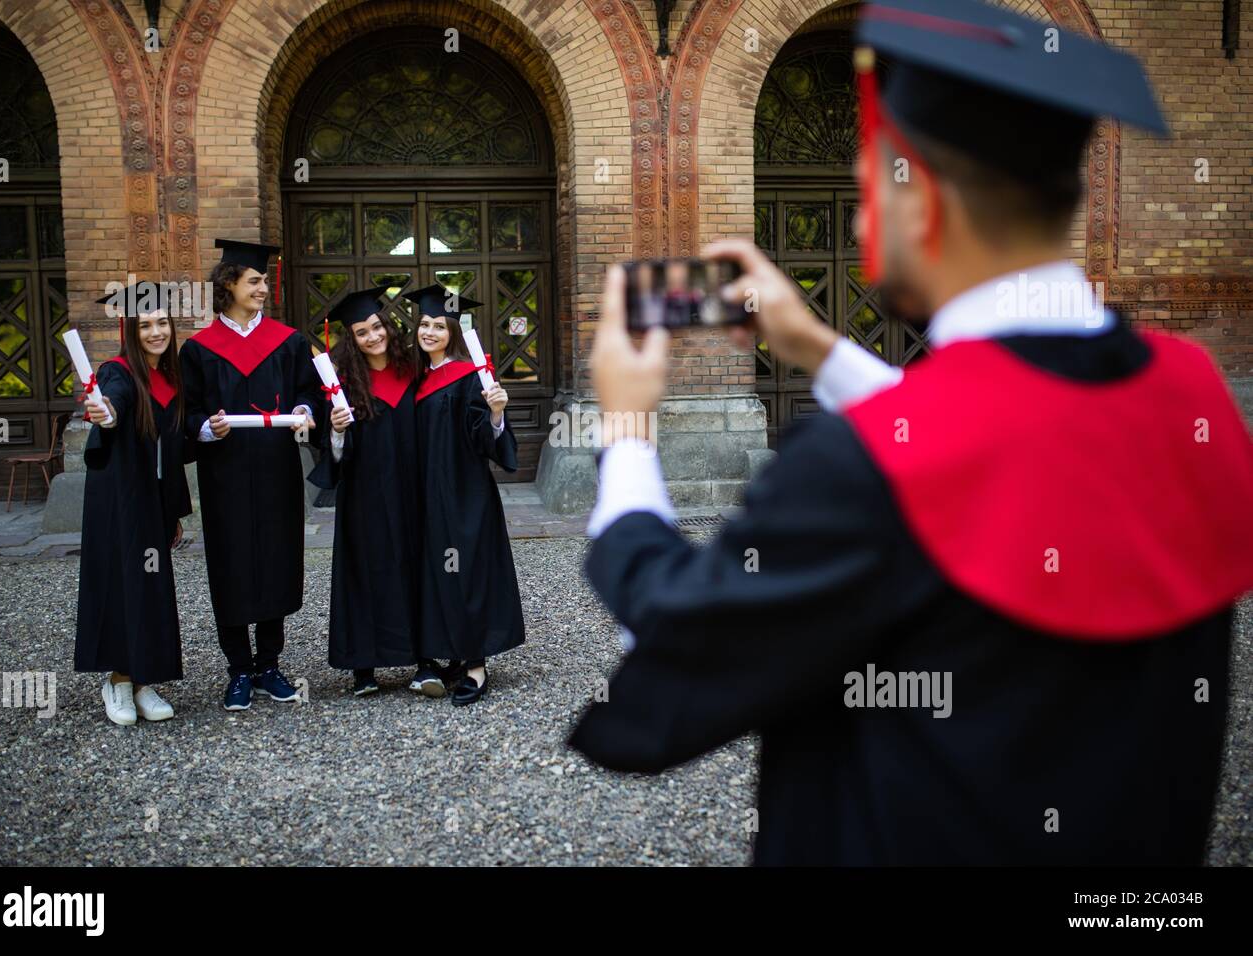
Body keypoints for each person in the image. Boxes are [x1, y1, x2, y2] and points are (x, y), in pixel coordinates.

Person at [568, 0, 1253, 865]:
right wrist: (815, 346)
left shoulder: (858, 467)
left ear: (917, 200)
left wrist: (627, 425)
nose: (861, 223)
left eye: (864, 191)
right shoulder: (1191, 393)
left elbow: (675, 636)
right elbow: (1007, 429)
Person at [179, 239, 321, 711]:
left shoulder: (288, 342)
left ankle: (270, 665)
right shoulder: (199, 350)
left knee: (276, 560)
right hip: (226, 476)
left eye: (264, 281)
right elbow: (188, 411)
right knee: (232, 565)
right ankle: (239, 668)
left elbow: (310, 393)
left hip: (278, 471)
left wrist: (303, 410)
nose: (263, 289)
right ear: (229, 286)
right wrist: (206, 427)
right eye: (255, 281)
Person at [75, 282, 191, 726]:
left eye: (163, 322)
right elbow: (112, 407)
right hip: (119, 502)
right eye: (146, 325)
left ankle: (143, 679)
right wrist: (105, 413)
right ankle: (118, 681)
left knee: (151, 586)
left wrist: (174, 509)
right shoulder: (118, 373)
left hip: (154, 500)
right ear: (130, 330)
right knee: (122, 584)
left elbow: (174, 447)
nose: (157, 331)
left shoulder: (170, 377)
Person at [407, 284, 524, 705]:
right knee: (437, 573)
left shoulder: (469, 376)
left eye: (439, 325)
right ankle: (452, 652)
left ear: (453, 331)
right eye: (424, 324)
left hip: (463, 493)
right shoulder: (416, 380)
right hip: (424, 495)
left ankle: (476, 664)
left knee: (468, 571)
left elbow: (486, 440)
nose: (430, 331)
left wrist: (495, 412)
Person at [307, 288, 425, 697]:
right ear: (351, 340)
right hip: (365, 494)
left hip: (412, 488)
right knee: (365, 571)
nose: (373, 336)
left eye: (377, 326)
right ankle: (364, 666)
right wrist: (337, 429)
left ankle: (423, 659)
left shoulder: (413, 369)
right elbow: (332, 451)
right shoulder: (343, 386)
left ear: (387, 327)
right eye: (362, 332)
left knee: (416, 567)